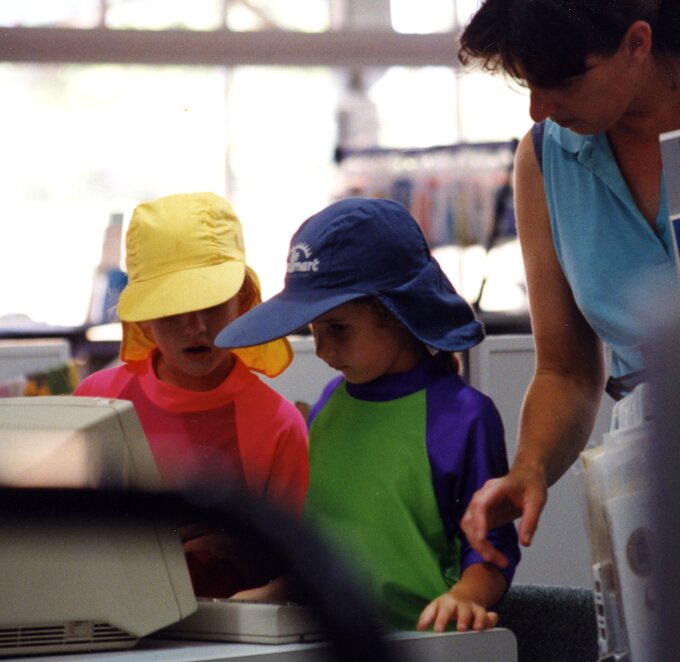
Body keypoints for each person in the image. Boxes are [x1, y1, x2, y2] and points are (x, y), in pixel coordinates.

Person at [455, 0, 680, 560]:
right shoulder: (547, 158)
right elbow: (565, 370)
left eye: (562, 81)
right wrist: (528, 467)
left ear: (637, 43)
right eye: (526, 84)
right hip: (659, 477)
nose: (538, 109)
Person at [216, 197, 520, 632]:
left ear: (399, 312)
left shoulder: (465, 418)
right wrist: (277, 591)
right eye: (313, 331)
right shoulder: (328, 403)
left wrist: (464, 599)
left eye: (338, 328)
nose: (321, 350)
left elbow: (492, 548)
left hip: (426, 646)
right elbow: (328, 547)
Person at [74, 191, 309, 597]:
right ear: (143, 320)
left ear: (242, 301)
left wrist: (234, 548)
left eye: (211, 302)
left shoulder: (277, 425)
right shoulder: (96, 402)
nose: (195, 326)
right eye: (172, 308)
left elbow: (296, 560)